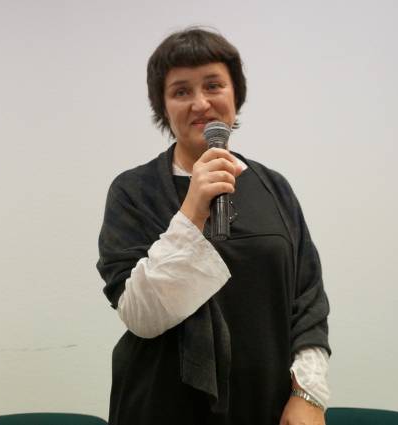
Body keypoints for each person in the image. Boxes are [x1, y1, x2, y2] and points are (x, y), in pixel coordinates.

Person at [96, 27, 331, 425]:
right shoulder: (133, 191)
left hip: (266, 402)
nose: (200, 103)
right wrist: (192, 210)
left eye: (213, 85)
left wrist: (308, 392)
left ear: (235, 95)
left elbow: (307, 300)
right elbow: (139, 314)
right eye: (181, 91)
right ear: (163, 107)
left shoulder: (274, 187)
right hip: (161, 407)